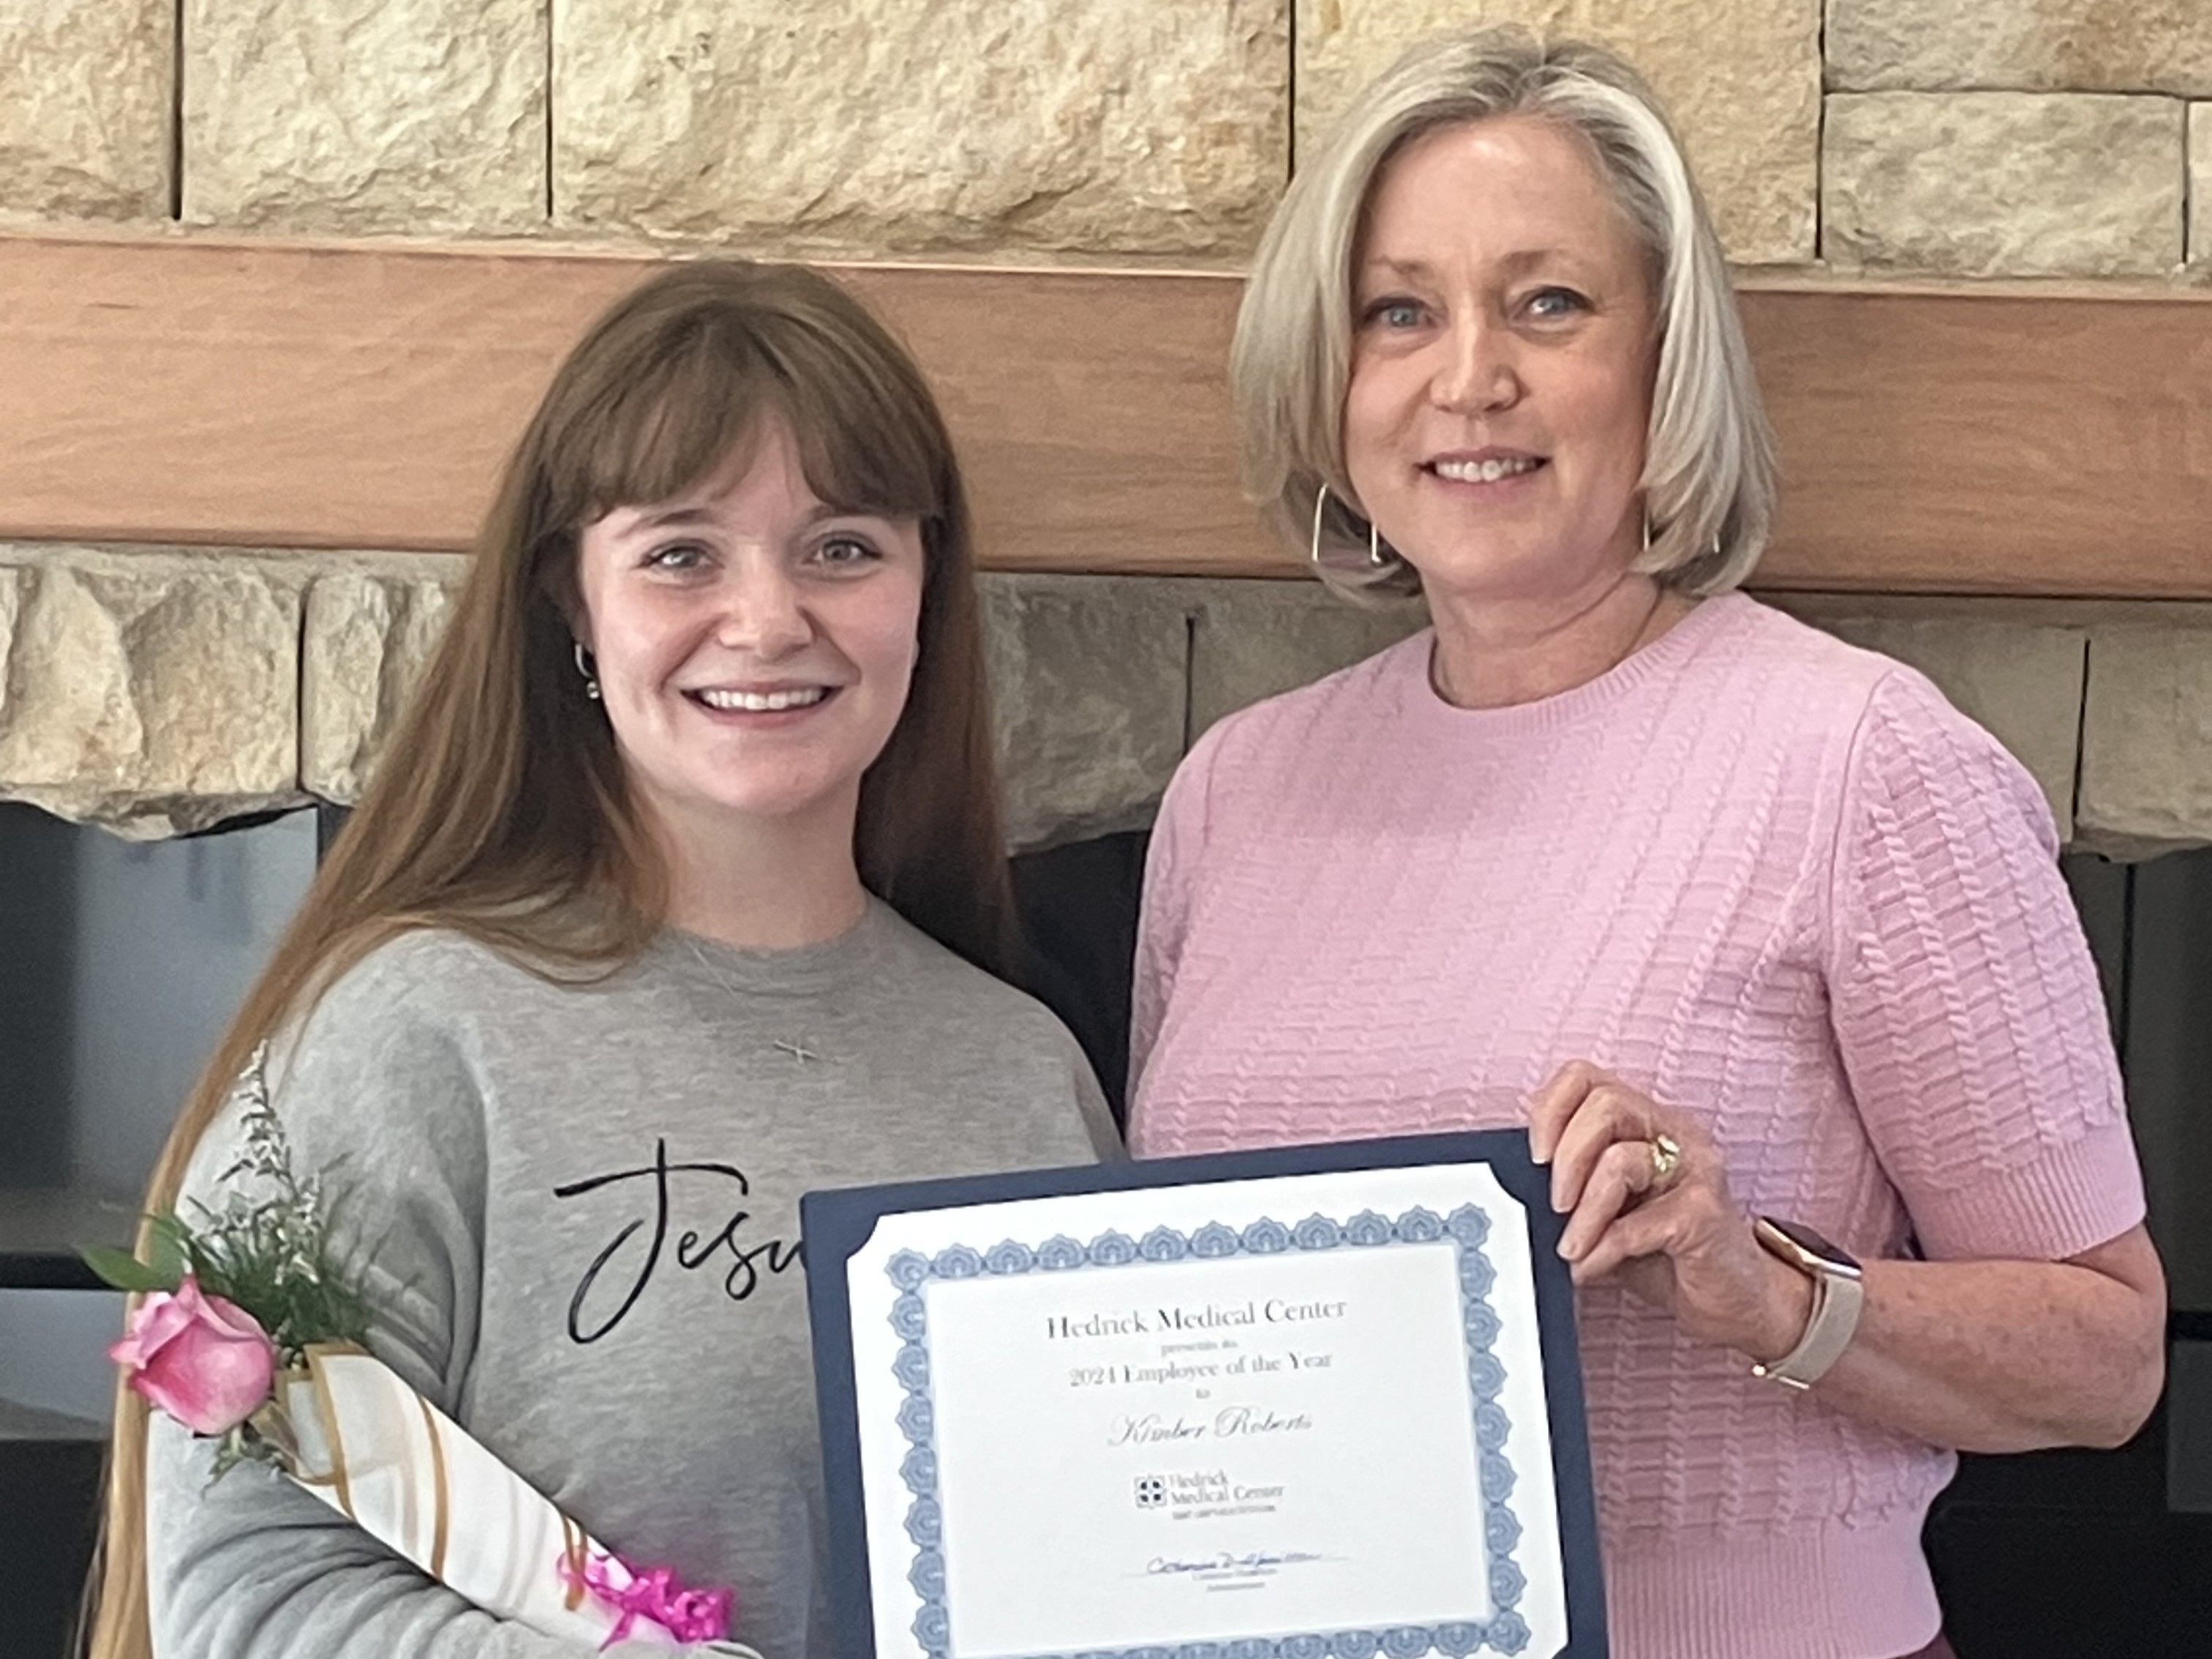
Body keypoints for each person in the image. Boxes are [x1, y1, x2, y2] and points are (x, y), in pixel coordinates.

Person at [1128, 26, 2163, 1659]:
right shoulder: (1233, 794)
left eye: (1550, 302)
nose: (1471, 377)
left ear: (1664, 358)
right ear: (1329, 380)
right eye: (1401, 311)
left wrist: (1767, 1289)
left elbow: (2113, 1360)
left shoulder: (1866, 762)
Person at [85, 261, 1118, 1659]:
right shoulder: (407, 1036)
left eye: (845, 546)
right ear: (574, 605)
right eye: (682, 553)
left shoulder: (1023, 1079)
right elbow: (249, 1605)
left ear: (925, 590)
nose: (767, 620)